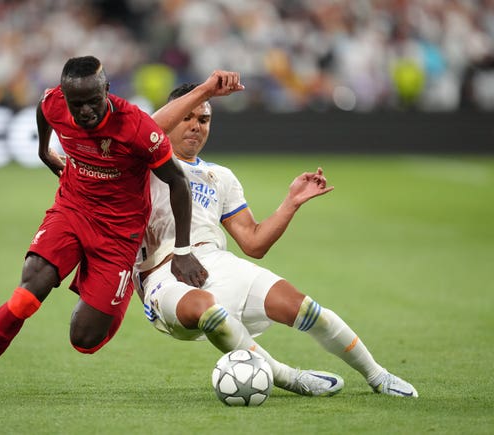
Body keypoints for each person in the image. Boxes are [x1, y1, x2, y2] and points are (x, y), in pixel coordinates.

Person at [0, 56, 243, 398]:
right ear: (65, 97)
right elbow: (44, 110)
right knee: (28, 292)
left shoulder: (136, 128)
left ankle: (113, 284)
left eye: (93, 102)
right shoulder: (54, 102)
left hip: (119, 233)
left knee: (85, 340)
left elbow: (177, 182)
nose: (84, 112)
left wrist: (182, 251)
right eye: (77, 105)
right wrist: (45, 151)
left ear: (107, 90)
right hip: (72, 210)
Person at [135, 83, 419, 398]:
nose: (195, 126)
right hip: (164, 275)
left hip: (216, 264)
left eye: (203, 120)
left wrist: (291, 202)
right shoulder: (139, 165)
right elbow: (147, 129)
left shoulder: (221, 177)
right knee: (207, 310)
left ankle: (378, 376)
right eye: (186, 117)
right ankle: (288, 377)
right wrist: (206, 90)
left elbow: (254, 243)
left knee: (305, 308)